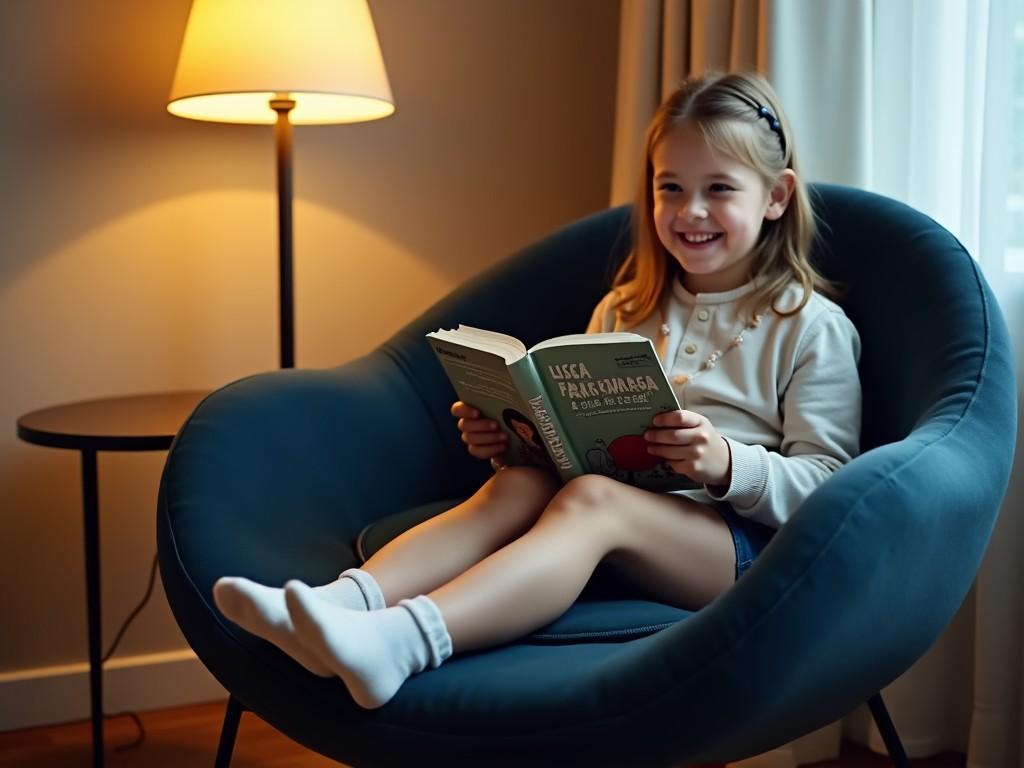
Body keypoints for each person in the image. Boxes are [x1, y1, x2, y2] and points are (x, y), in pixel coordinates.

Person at [212, 71, 862, 710]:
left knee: (593, 500)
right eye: (671, 187)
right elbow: (577, 450)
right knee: (520, 484)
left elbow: (832, 485)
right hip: (610, 516)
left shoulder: (809, 326)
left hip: (736, 550)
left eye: (719, 188)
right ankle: (339, 603)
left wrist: (727, 464)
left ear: (776, 196)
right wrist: (514, 440)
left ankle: (403, 642)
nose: (690, 211)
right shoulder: (625, 308)